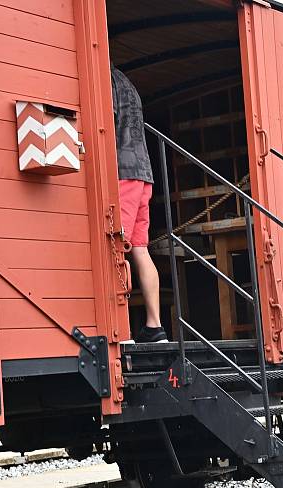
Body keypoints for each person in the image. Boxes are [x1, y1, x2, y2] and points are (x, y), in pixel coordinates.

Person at [111, 65, 167, 343]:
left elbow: (105, 124)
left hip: (123, 170)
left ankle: (121, 329)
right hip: (144, 173)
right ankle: (155, 326)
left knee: (115, 246)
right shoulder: (128, 83)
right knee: (140, 249)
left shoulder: (104, 78)